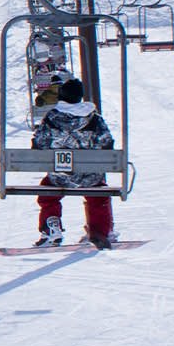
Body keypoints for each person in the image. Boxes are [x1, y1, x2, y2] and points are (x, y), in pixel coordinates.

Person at [33, 78, 117, 248]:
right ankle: (100, 231)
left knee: (48, 192)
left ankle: (51, 229)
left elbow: (39, 144)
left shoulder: (51, 117)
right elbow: (106, 143)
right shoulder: (94, 118)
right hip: (90, 177)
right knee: (98, 195)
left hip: (60, 176)